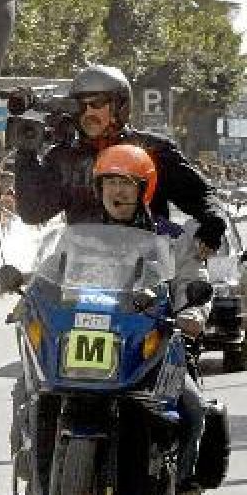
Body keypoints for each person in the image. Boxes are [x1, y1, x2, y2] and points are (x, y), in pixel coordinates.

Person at [89, 144, 209, 495]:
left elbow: (193, 280)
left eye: (127, 183)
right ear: (99, 189)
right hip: (95, 348)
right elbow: (53, 275)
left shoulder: (172, 238)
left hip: (155, 348)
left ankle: (184, 481)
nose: (117, 191)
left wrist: (192, 313)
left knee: (193, 408)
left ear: (145, 189)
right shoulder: (83, 236)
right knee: (34, 392)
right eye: (109, 182)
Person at [14, 64, 227, 254]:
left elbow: (200, 195)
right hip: (81, 274)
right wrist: (26, 156)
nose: (88, 112)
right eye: (81, 106)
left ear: (120, 106)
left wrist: (213, 221)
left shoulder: (152, 149)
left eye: (97, 103)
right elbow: (33, 212)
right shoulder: (63, 156)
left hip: (146, 275)